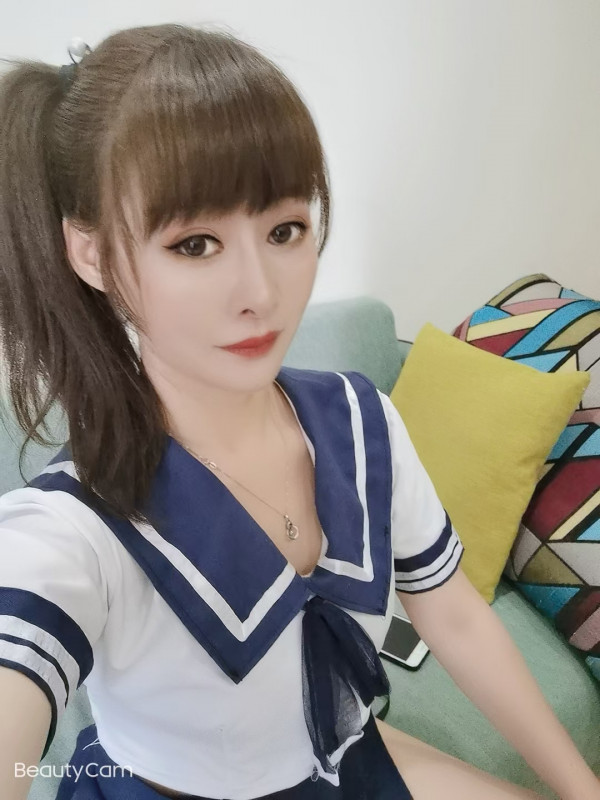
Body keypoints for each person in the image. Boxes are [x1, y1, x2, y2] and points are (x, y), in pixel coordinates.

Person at [0, 22, 598, 800]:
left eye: (284, 230)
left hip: (344, 758)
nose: (261, 291)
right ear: (91, 253)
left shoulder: (361, 422)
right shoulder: (74, 523)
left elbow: (452, 615)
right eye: (194, 244)